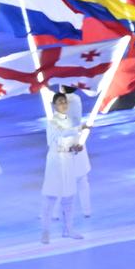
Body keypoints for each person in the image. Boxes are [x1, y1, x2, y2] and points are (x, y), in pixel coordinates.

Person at [40, 90, 88, 243]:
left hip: (67, 160)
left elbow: (72, 139)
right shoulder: (52, 122)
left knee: (69, 195)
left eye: (64, 102)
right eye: (60, 102)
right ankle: (45, 231)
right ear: (54, 105)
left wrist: (76, 147)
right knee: (52, 195)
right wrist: (78, 129)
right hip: (55, 160)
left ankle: (68, 229)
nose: (63, 104)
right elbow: (63, 133)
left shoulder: (69, 121)